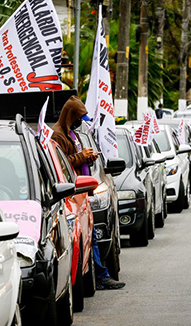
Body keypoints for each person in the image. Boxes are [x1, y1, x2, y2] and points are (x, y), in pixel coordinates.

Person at [52, 95, 126, 290]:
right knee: (86, 239)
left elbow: (75, 159)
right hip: (70, 196)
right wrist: (80, 156)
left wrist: (88, 158)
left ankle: (99, 274)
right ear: (70, 116)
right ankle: (100, 276)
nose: (79, 123)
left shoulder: (72, 134)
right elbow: (60, 164)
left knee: (90, 237)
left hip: (81, 193)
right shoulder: (58, 135)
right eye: (78, 119)